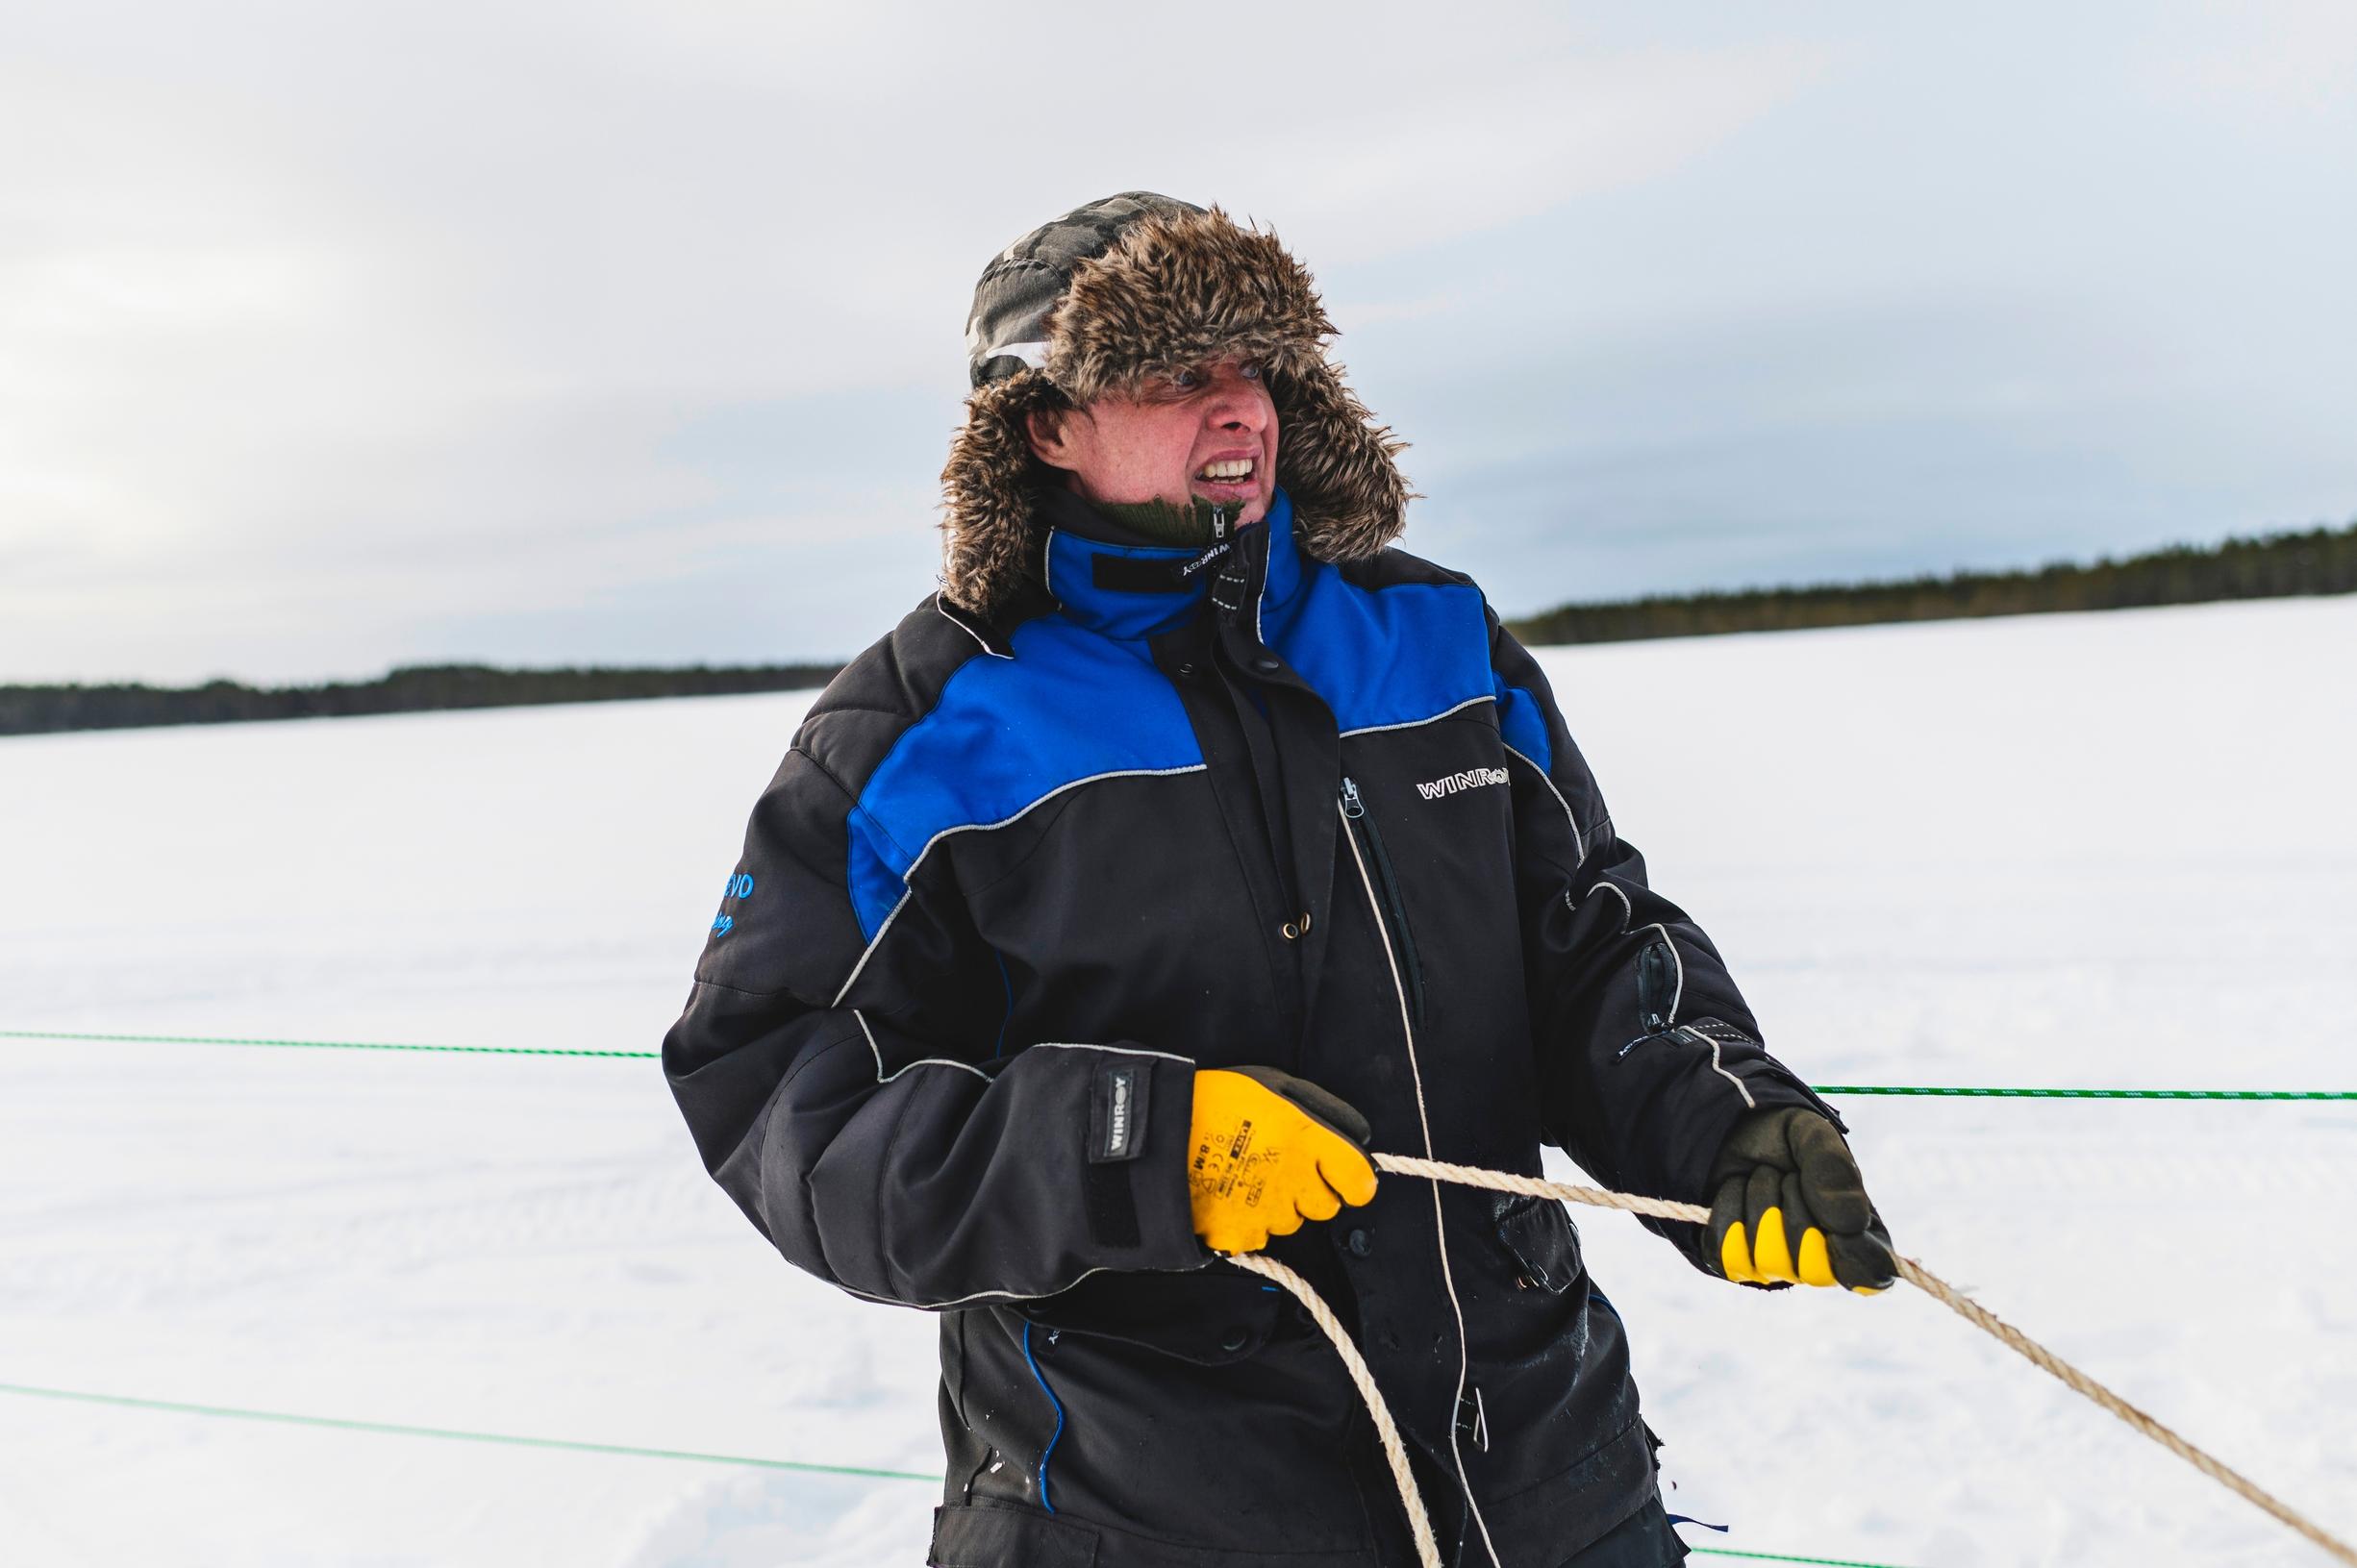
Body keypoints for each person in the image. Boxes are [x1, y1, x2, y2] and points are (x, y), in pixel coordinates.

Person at [661, 191, 1896, 1568]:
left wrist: (1723, 1123)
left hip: (1544, 1487)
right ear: (1043, 425)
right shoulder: (916, 735)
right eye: (1176, 374)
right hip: (1140, 1517)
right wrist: (1140, 1148)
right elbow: (778, 1099)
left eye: (1252, 366)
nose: (1238, 406)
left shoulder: (1431, 635)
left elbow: (1588, 943)